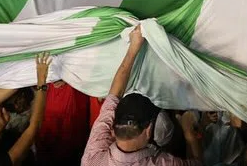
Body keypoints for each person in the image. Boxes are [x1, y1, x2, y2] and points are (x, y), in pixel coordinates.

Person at [81, 25, 202, 166]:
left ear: (113, 128)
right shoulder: (164, 163)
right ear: (149, 130)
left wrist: (133, 48)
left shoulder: (93, 158)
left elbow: (114, 94)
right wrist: (189, 136)